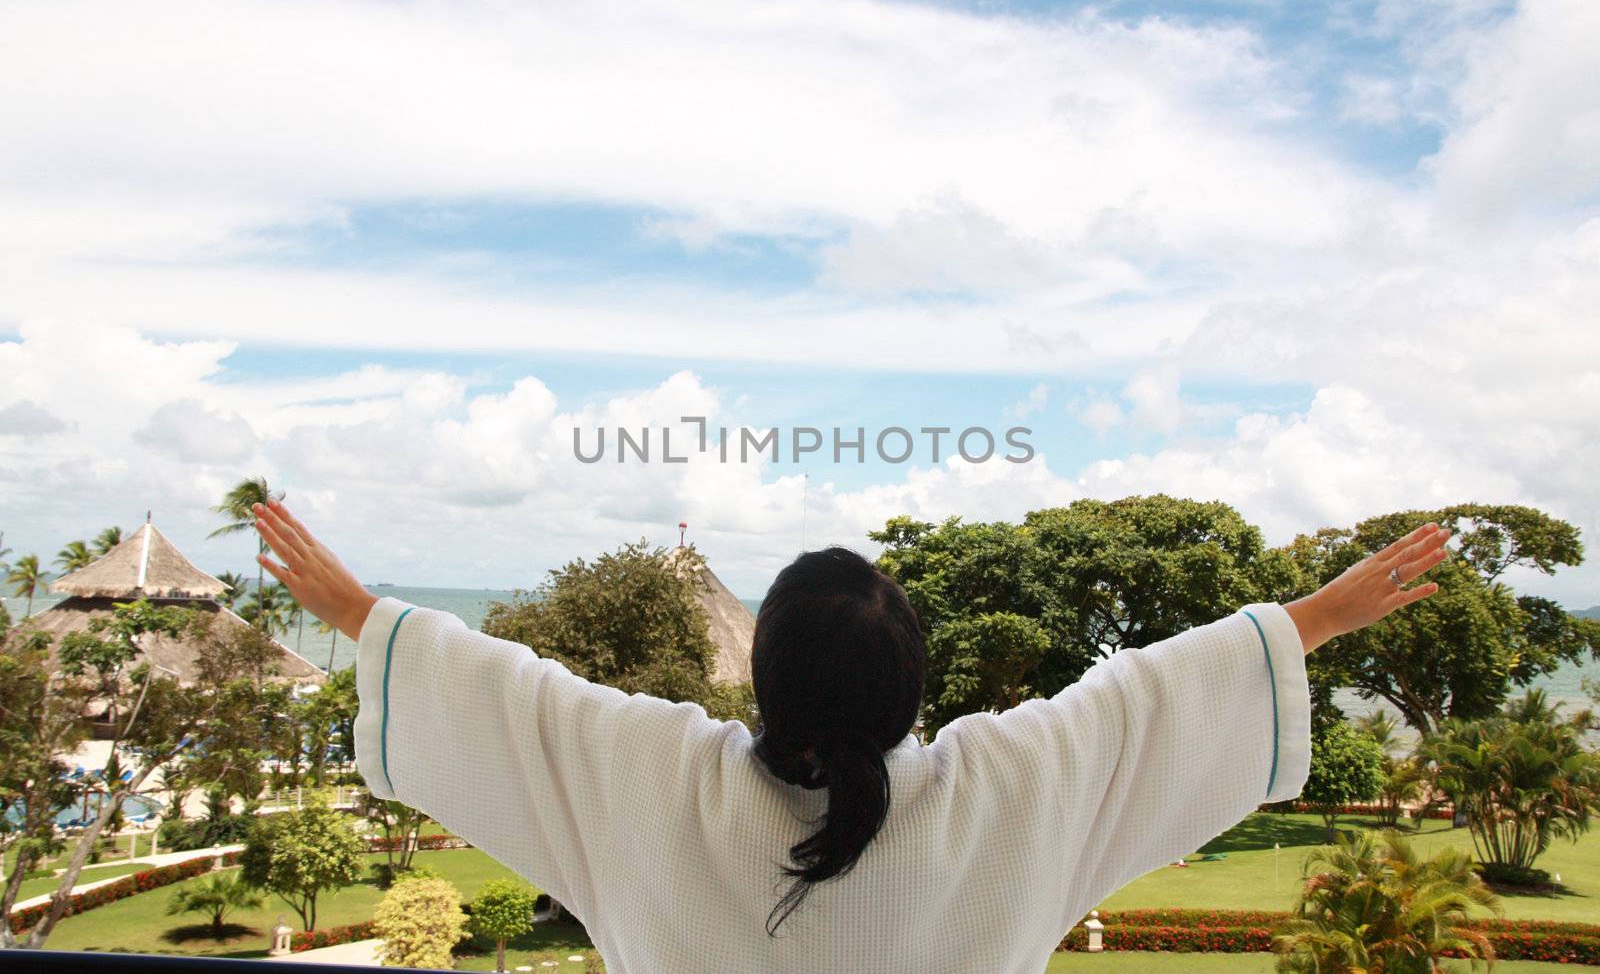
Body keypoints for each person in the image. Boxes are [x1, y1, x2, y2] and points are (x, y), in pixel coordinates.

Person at [252, 500, 1450, 973]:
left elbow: (515, 693)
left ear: (762, 678)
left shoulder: (656, 773)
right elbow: (1144, 697)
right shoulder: (1006, 786)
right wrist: (1322, 614)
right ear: (912, 686)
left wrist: (363, 614)